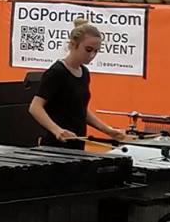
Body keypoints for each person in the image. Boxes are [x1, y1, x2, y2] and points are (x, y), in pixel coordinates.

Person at [29, 21, 131, 149]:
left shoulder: (84, 72)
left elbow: (80, 109)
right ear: (73, 45)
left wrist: (108, 130)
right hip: (56, 146)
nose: (92, 55)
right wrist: (57, 130)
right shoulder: (56, 72)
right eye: (88, 50)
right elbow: (35, 107)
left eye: (96, 51)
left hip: (77, 144)